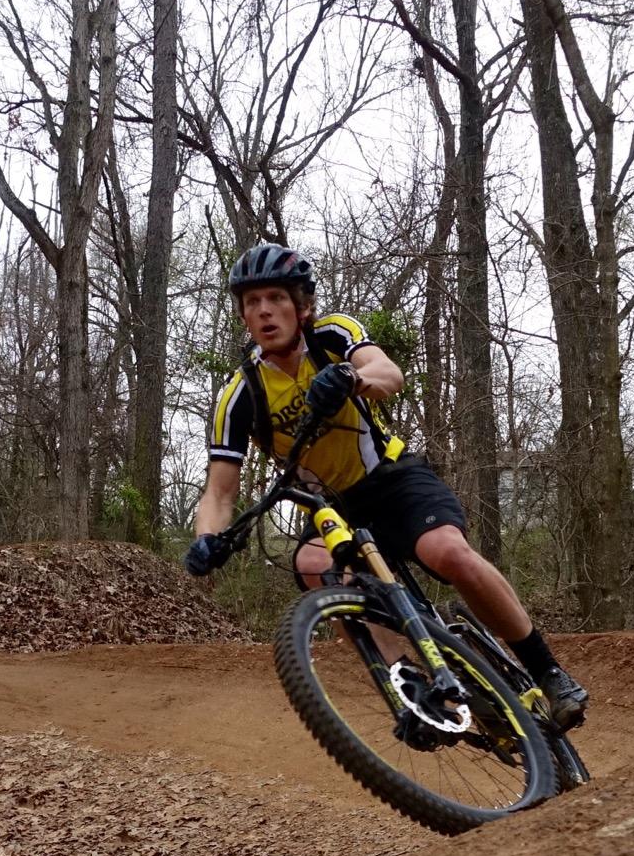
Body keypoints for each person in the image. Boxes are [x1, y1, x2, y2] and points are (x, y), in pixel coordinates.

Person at [184, 241, 589, 729]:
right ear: (244, 317)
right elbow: (219, 492)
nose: (265, 310)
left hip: (392, 479)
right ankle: (408, 682)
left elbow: (388, 372)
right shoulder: (240, 393)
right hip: (334, 507)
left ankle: (547, 670)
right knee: (315, 565)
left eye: (276, 298)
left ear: (302, 305)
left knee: (449, 553)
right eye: (252, 302)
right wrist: (206, 538)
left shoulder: (331, 335)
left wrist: (351, 379)